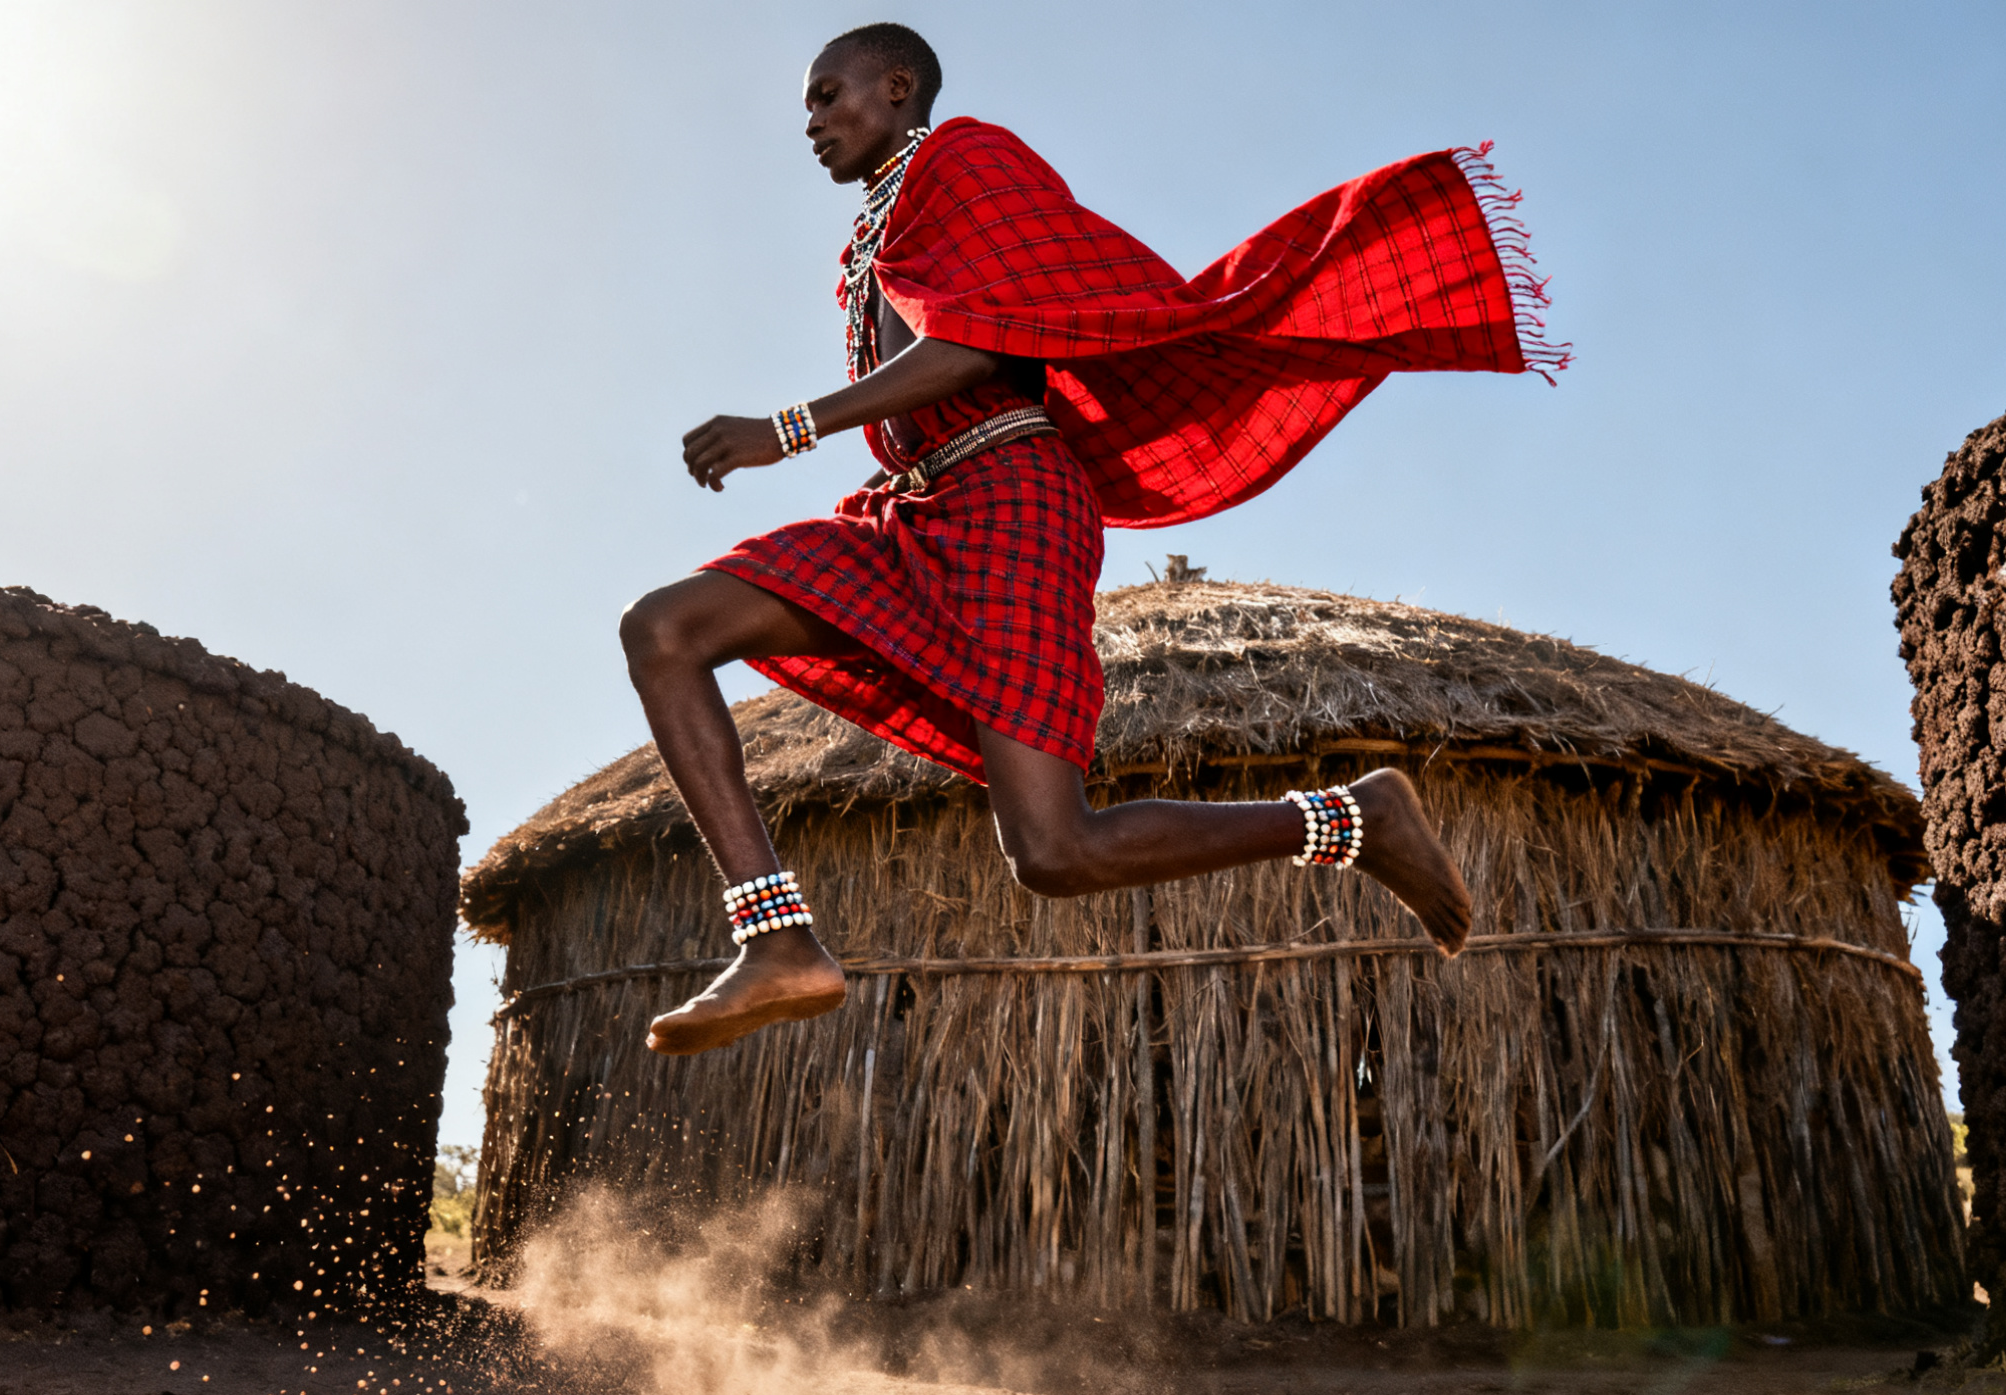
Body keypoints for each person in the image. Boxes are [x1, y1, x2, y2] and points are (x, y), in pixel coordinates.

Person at [623, 23, 1564, 1056]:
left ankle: (1353, 817)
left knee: (1055, 850)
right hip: (913, 512)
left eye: (824, 95)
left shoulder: (967, 161)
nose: (808, 121)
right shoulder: (871, 239)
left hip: (1011, 502)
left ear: (896, 89)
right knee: (665, 628)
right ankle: (778, 940)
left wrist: (790, 427)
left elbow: (979, 343)